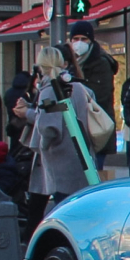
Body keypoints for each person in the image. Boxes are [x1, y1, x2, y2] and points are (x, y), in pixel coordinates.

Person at [25, 44, 99, 226]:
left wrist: (43, 146)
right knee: (80, 206)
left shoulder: (50, 90)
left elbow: (49, 127)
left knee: (64, 207)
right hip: (82, 155)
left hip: (60, 159)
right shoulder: (79, 88)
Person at [68, 20, 118, 122]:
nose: (79, 42)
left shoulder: (101, 63)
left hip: (98, 121)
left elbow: (99, 96)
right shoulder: (69, 62)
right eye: (76, 39)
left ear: (91, 40)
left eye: (84, 39)